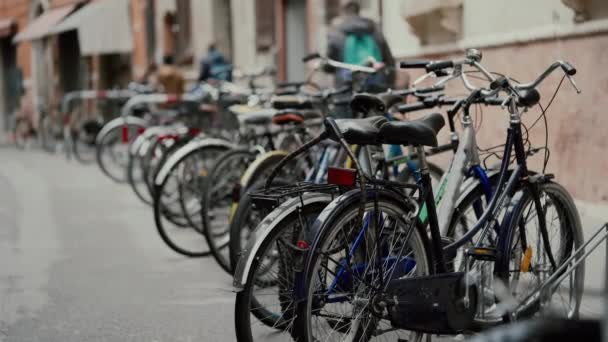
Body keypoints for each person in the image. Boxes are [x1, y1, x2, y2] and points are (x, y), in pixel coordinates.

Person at [326, 1, 395, 92]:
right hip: (375, 84)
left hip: (346, 86)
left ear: (344, 13)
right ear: (359, 11)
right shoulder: (374, 29)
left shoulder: (337, 33)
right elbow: (389, 60)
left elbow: (329, 64)